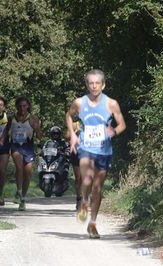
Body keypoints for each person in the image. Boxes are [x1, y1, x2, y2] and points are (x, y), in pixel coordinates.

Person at [66, 69, 126, 239]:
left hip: (104, 151)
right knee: (86, 179)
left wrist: (113, 131)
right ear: (87, 85)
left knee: (98, 188)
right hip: (85, 147)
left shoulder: (111, 104)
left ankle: (92, 224)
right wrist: (72, 135)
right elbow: (69, 116)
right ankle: (84, 202)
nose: (94, 86)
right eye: (90, 83)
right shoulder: (79, 103)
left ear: (103, 85)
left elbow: (122, 124)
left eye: (97, 83)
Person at [1, 96, 42, 211]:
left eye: (24, 105)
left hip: (28, 147)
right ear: (16, 106)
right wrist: (2, 139)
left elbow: (39, 136)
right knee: (19, 168)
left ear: (28, 106)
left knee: (27, 174)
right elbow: (6, 130)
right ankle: (19, 193)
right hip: (15, 146)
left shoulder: (33, 118)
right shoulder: (11, 118)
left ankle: (23, 197)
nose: (22, 108)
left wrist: (37, 128)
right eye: (19, 106)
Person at [66, 121, 83, 211]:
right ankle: (79, 199)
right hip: (76, 153)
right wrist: (74, 131)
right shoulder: (74, 124)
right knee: (78, 178)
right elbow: (67, 137)